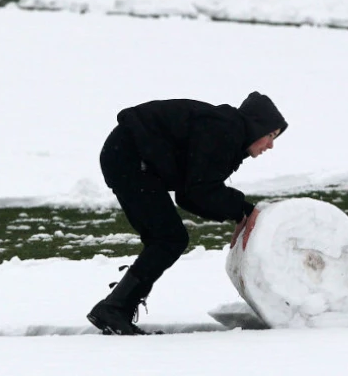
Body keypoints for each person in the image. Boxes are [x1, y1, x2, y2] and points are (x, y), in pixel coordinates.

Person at [87, 91, 288, 335]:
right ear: (257, 127)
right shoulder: (224, 132)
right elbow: (199, 190)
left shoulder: (226, 133)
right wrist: (244, 209)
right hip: (130, 159)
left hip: (126, 157)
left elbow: (189, 195)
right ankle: (115, 308)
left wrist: (238, 213)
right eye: (270, 136)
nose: (271, 145)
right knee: (168, 238)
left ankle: (116, 308)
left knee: (164, 239)